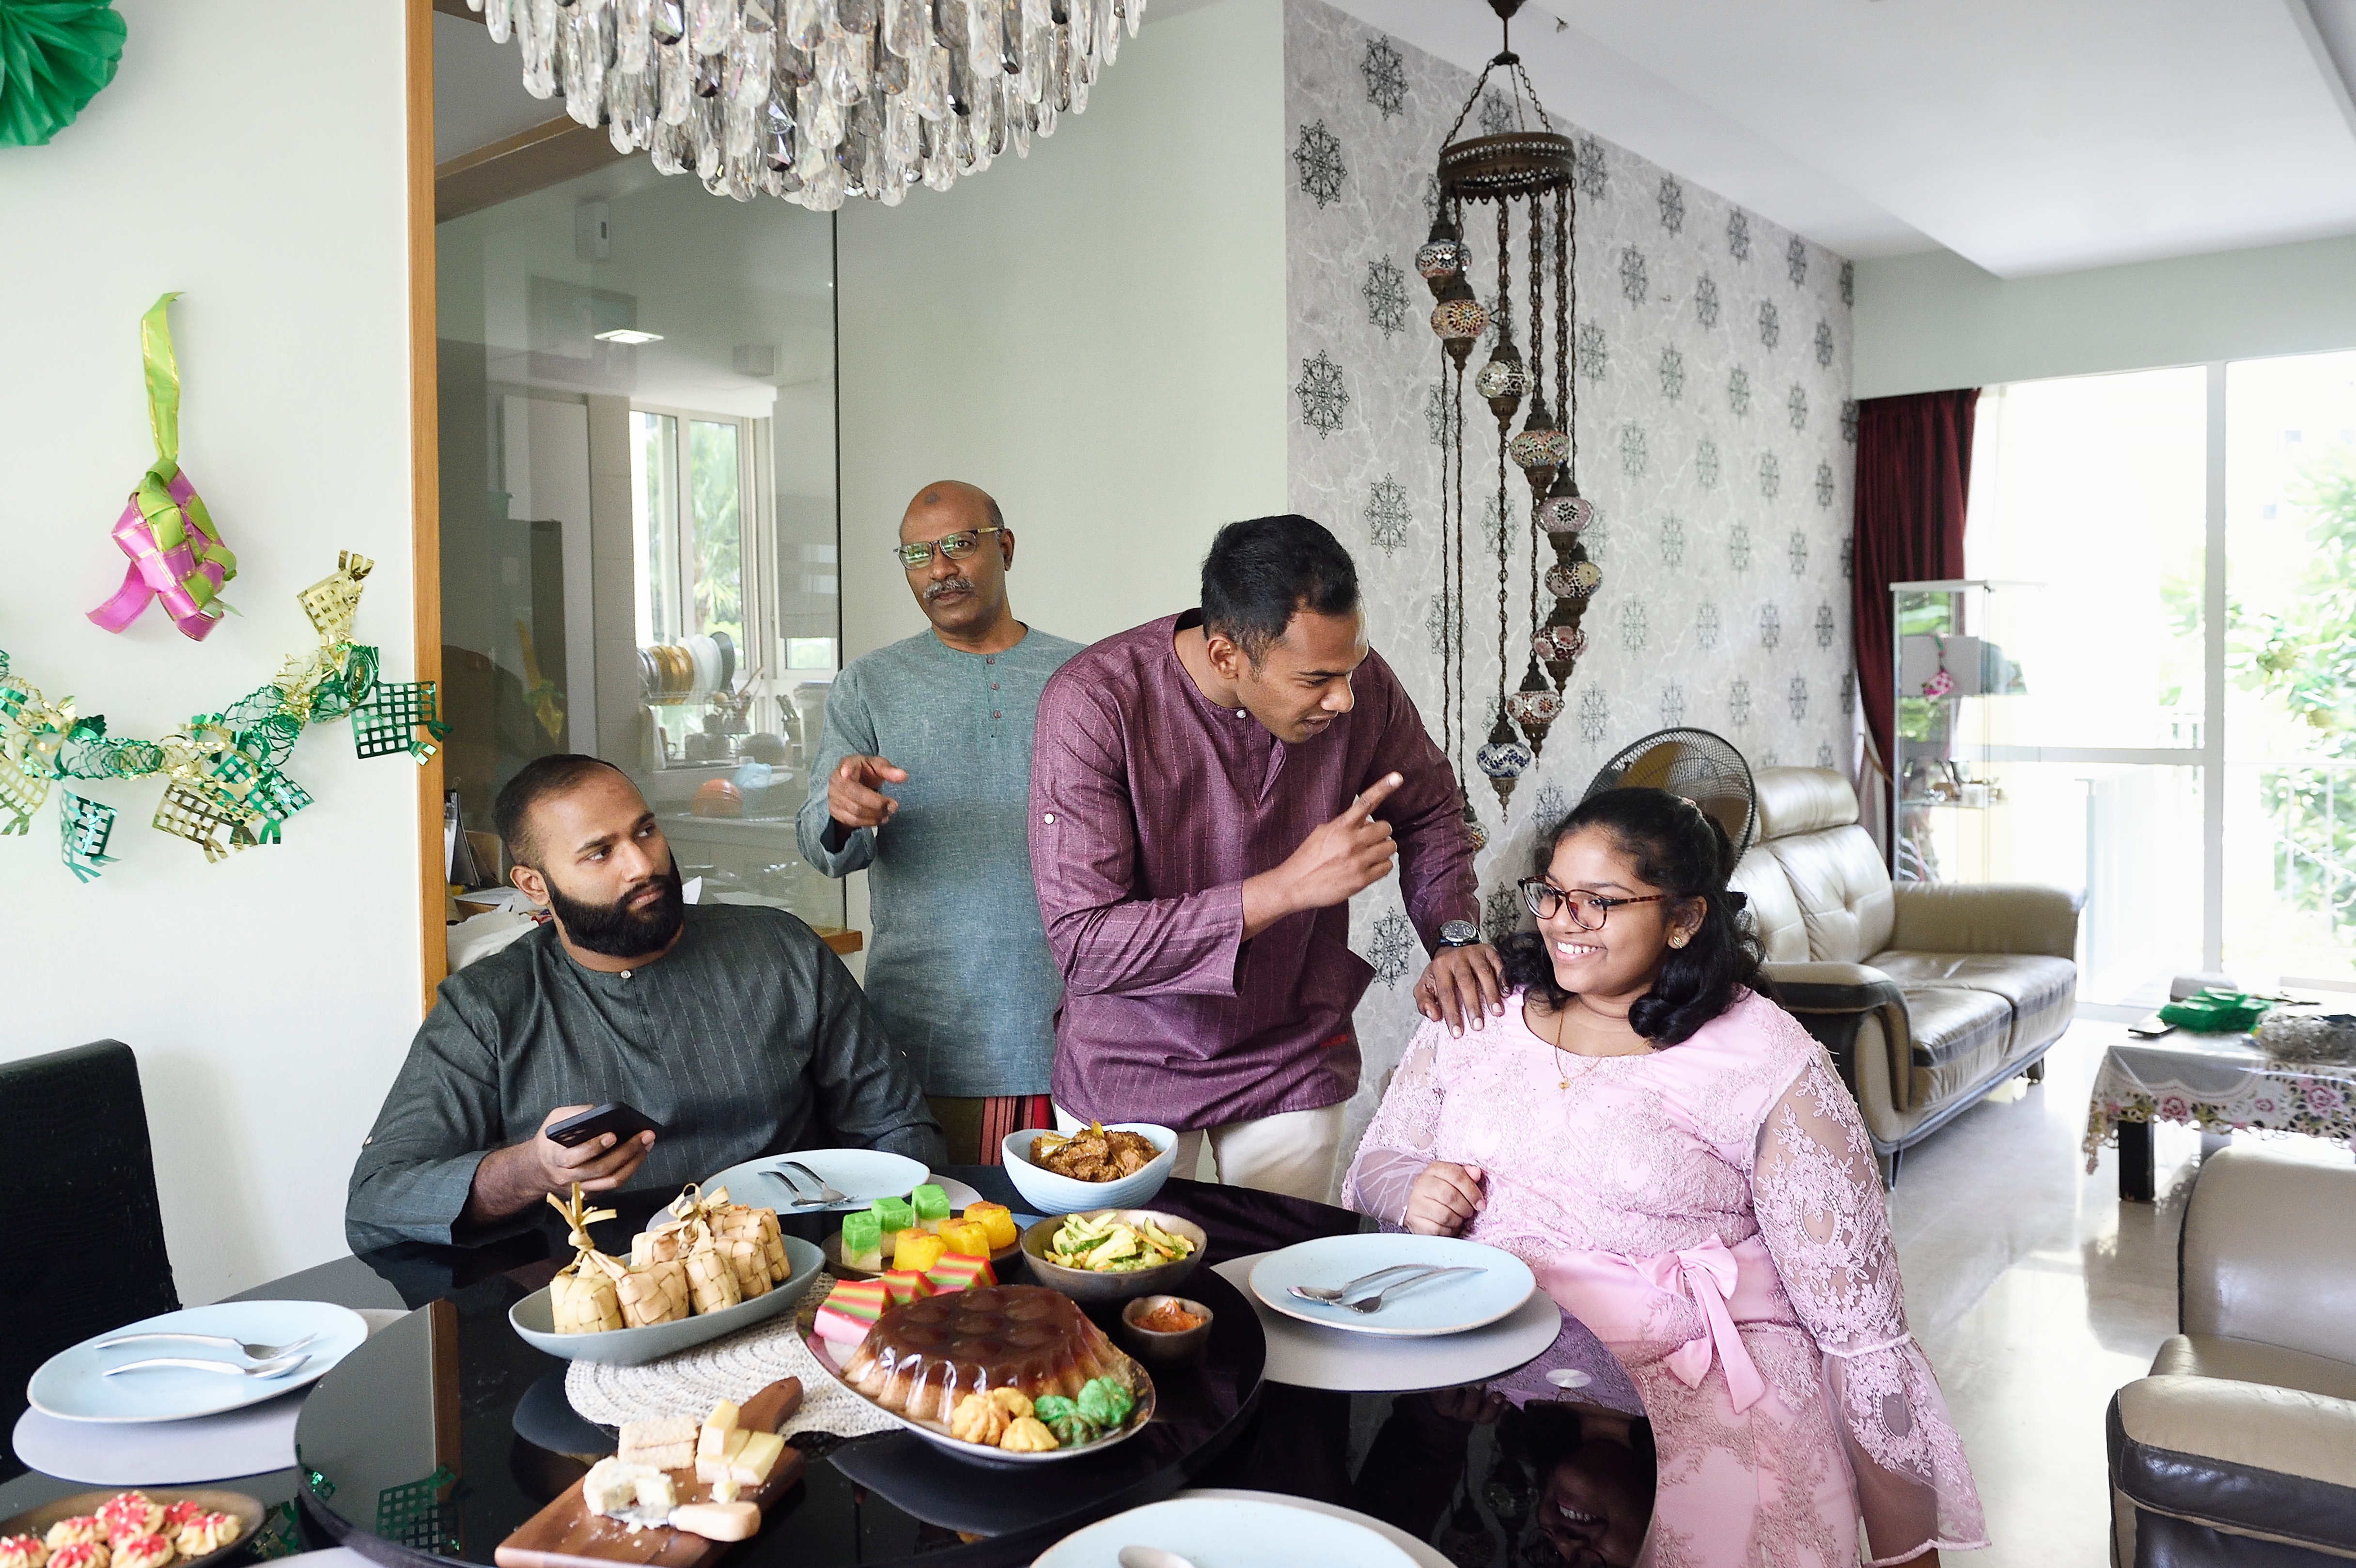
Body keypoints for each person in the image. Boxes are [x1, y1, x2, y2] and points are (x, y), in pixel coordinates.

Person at [1342, 788, 1986, 1566]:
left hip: (1701, 1379)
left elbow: (1860, 1333)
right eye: (1550, 893)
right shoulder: (1479, 1009)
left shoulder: (1764, 1058)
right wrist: (1410, 1190)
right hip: (1486, 1364)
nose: (1560, 922)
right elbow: (1375, 1164)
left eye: (1599, 903)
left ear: (1683, 920)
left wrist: (1902, 1556)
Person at [1028, 513, 1494, 1202]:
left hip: (1290, 1046)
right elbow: (1086, 945)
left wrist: (1452, 934)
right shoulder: (1093, 703)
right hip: (1128, 1056)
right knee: (1134, 1290)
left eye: (1350, 668)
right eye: (1314, 680)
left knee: (1281, 1281)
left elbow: (1428, 807)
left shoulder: (1354, 688)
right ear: (1225, 657)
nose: (1343, 698)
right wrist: (1282, 889)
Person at [346, 754, 942, 1251]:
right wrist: (532, 1170)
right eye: (599, 853)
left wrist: (877, 1252)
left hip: (795, 1264)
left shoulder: (780, 949)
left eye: (646, 831)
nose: (643, 865)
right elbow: (378, 1199)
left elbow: (896, 1124)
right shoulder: (488, 1008)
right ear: (534, 885)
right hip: (602, 1301)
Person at [797, 481, 1081, 1164]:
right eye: (917, 554)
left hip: (1072, 1023)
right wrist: (841, 811)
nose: (939, 569)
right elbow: (819, 841)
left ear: (1004, 548)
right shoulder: (870, 683)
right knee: (940, 1243)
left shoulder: (1083, 673)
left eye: (958, 544)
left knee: (1062, 1249)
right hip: (924, 1028)